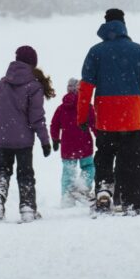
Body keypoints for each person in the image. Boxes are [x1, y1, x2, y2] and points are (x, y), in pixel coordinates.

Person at [77, 8, 140, 215]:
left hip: (105, 116)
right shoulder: (138, 50)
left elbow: (85, 87)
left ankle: (104, 190)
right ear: (124, 24)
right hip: (131, 117)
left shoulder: (95, 51)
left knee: (104, 155)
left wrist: (82, 115)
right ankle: (131, 201)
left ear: (105, 24)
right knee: (130, 159)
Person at [0, 45, 53, 223]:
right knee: (25, 174)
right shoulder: (34, 85)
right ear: (33, 63)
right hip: (23, 142)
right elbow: (37, 117)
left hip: (3, 140)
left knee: (2, 171)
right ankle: (27, 208)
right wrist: (45, 141)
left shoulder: (3, 82)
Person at [50, 77, 96, 206]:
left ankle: (67, 198)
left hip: (67, 146)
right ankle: (82, 187)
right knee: (89, 167)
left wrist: (55, 138)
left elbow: (54, 124)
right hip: (84, 144)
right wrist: (100, 137)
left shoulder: (61, 108)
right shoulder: (87, 106)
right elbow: (94, 123)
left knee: (68, 172)